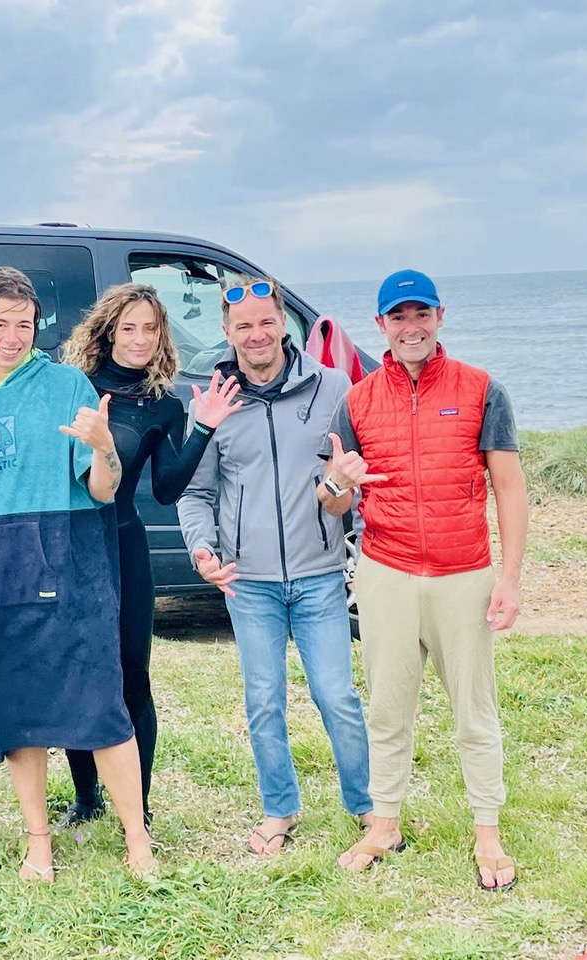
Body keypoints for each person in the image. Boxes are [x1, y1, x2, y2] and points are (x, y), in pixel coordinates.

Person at [0, 267, 156, 882]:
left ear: (37, 328)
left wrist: (104, 447)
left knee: (101, 703)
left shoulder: (67, 385)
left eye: (24, 324)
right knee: (17, 712)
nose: (12, 335)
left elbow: (102, 490)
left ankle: (138, 840)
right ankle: (38, 844)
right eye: (0, 323)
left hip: (71, 565)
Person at [323, 269, 528, 892]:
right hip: (385, 570)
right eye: (398, 316)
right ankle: (383, 824)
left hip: (463, 572)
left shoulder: (482, 389)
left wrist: (509, 578)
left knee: (475, 709)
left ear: (440, 316)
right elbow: (333, 502)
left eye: (421, 314)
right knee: (387, 707)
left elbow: (509, 487)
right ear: (380, 325)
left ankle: (487, 832)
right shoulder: (357, 400)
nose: (410, 327)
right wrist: (338, 482)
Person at [176, 276, 373, 855]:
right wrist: (202, 549)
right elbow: (195, 493)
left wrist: (351, 515)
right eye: (244, 326)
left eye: (266, 322)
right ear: (227, 331)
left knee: (337, 696)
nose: (257, 334)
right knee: (264, 701)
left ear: (283, 324)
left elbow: (353, 479)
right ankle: (279, 809)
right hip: (248, 582)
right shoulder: (215, 403)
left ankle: (366, 806)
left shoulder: (332, 386)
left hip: (319, 575)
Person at [57, 283, 241, 826]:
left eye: (151, 328)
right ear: (108, 331)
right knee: (80, 673)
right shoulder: (75, 388)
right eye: (129, 328)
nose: (140, 339)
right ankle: (86, 800)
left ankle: (137, 806)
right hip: (71, 545)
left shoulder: (163, 404)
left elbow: (166, 489)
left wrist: (203, 426)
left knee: (132, 675)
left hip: (124, 545)